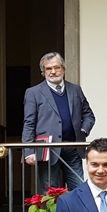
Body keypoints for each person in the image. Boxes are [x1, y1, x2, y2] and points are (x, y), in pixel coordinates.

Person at [22, 51, 96, 190]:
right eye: (48, 68)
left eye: (57, 67)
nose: (53, 72)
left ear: (63, 69)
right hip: (48, 149)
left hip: (73, 147)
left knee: (79, 188)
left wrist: (82, 131)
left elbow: (88, 115)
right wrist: (29, 151)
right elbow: (29, 123)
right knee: (49, 191)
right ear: (43, 72)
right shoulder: (33, 93)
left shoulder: (75, 89)